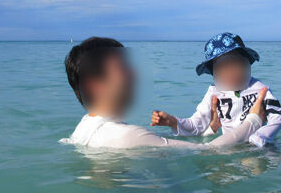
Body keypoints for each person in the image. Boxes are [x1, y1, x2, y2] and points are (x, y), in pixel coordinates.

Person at [60, 36, 267, 149]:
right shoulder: (127, 136)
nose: (135, 73)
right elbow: (209, 152)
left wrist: (210, 129)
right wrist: (254, 120)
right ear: (94, 85)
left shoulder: (83, 130)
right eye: (123, 68)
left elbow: (157, 142)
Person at [151, 32, 281, 148]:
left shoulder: (260, 89)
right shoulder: (214, 93)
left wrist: (261, 136)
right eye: (223, 67)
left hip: (261, 145)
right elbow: (197, 124)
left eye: (237, 63)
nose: (232, 72)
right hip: (228, 145)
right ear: (214, 72)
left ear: (247, 63)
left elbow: (278, 117)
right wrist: (173, 122)